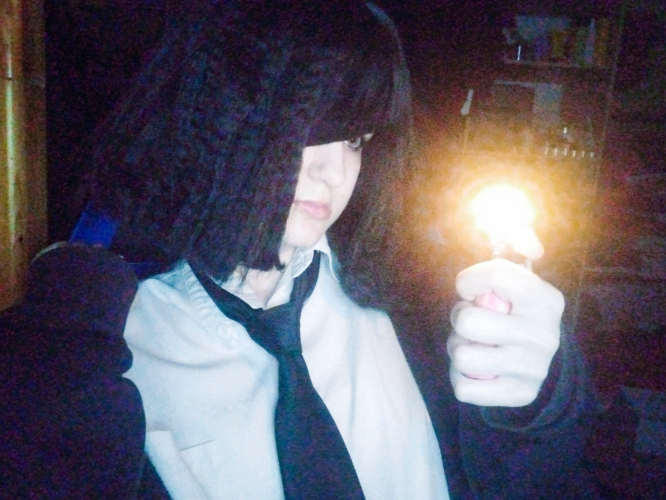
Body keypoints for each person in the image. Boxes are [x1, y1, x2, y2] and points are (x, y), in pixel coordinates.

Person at [0, 1, 600, 499]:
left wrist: (539, 399)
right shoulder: (104, 352)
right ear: (222, 116)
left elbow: (545, 476)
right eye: (308, 128)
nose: (335, 172)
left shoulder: (416, 294)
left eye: (356, 138)